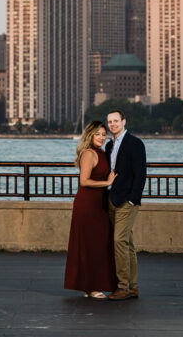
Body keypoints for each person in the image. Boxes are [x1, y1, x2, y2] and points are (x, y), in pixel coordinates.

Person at [64, 120, 117, 298]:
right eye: (98, 134)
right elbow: (84, 181)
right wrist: (107, 182)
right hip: (87, 204)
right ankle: (92, 287)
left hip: (99, 203)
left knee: (98, 244)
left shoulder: (101, 152)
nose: (102, 137)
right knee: (91, 245)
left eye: (104, 134)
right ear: (90, 135)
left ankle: (89, 285)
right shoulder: (88, 154)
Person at [104, 108, 147, 301]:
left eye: (116, 121)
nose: (112, 124)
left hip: (127, 202)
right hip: (112, 199)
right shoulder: (109, 146)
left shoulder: (135, 143)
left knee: (118, 241)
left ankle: (122, 287)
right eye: (110, 122)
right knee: (127, 244)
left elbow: (140, 174)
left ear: (124, 121)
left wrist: (132, 198)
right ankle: (132, 287)